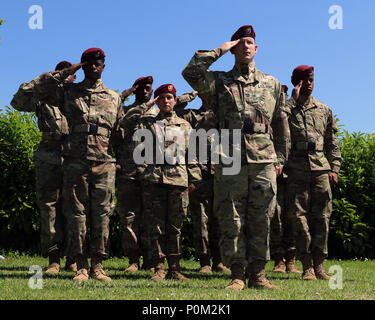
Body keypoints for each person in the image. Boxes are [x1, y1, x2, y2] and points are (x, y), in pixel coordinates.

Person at [182, 25, 290, 290]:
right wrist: (221, 49)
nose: (245, 46)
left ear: (257, 48)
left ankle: (259, 275)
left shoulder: (272, 84)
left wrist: (280, 160)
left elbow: (281, 124)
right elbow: (190, 72)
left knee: (262, 216)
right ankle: (237, 275)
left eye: (250, 42)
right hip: (230, 157)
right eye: (240, 42)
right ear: (233, 49)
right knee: (231, 216)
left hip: (264, 158)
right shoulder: (219, 82)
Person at [19, 48, 123, 282]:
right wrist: (64, 72)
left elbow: (120, 134)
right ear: (82, 66)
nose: (93, 67)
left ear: (104, 66)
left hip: (104, 163)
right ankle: (81, 267)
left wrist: (122, 162)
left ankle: (98, 266)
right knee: (77, 214)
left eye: (97, 63)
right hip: (76, 162)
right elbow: (27, 93)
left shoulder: (114, 97)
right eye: (88, 63)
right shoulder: (68, 92)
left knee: (103, 214)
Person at [120, 83, 202, 282]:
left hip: (178, 182)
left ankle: (175, 268)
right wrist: (147, 105)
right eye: (162, 97)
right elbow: (125, 123)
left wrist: (194, 180)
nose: (166, 101)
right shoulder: (146, 122)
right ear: (157, 100)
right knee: (154, 226)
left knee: (175, 227)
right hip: (153, 180)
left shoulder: (184, 125)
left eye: (170, 98)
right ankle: (158, 268)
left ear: (175, 101)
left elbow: (192, 155)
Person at [11, 60, 77, 275]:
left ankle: (74, 258)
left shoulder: (80, 97)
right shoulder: (42, 98)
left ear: (75, 77)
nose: (65, 76)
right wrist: (44, 78)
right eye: (61, 72)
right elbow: (18, 102)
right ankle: (54, 258)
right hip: (49, 154)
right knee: (50, 207)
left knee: (75, 207)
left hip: (75, 155)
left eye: (68, 73)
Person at [285, 65, 342, 280]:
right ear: (296, 83)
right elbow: (276, 125)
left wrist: (334, 168)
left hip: (320, 169)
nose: (308, 83)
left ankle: (319, 265)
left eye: (311, 79)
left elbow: (332, 143)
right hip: (296, 170)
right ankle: (306, 266)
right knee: (299, 218)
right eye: (303, 80)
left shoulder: (324, 110)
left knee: (322, 218)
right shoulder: (287, 108)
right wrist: (292, 100)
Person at [175, 92, 230, 274]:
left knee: (221, 219)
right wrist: (192, 94)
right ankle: (205, 261)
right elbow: (175, 108)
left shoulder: (225, 115)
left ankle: (220, 260)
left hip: (222, 173)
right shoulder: (192, 115)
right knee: (201, 219)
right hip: (199, 174)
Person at [115, 76, 154, 272]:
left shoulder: (157, 112)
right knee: (129, 217)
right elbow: (114, 136)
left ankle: (150, 259)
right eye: (141, 88)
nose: (145, 92)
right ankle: (133, 259)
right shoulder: (124, 112)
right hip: (128, 170)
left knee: (150, 217)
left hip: (151, 172)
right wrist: (128, 91)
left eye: (148, 88)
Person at [270, 85, 300, 274]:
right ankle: (279, 260)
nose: (283, 98)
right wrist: (292, 100)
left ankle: (291, 259)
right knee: (275, 217)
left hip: (294, 172)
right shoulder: (271, 113)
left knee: (294, 216)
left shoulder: (295, 113)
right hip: (273, 171)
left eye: (285, 94)